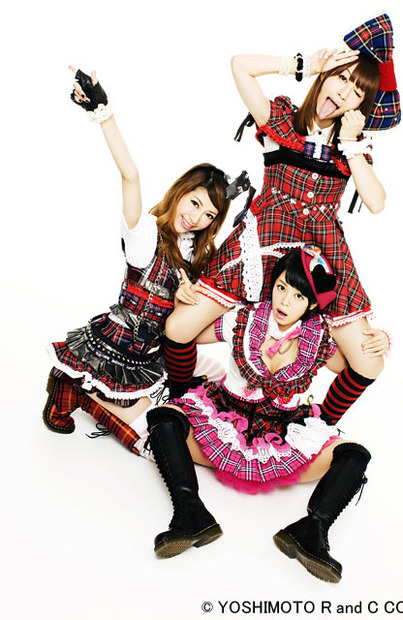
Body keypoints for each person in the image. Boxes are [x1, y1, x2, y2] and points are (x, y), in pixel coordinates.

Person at [162, 14, 400, 425]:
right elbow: (240, 65)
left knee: (368, 362)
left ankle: (313, 426)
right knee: (178, 329)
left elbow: (376, 202)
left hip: (321, 258)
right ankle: (180, 402)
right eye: (341, 79)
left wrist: (350, 144)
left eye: (357, 92)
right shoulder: (283, 121)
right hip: (262, 244)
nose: (344, 93)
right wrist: (302, 64)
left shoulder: (352, 147)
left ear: (360, 107)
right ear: (326, 76)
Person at [42, 68, 249, 455]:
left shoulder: (196, 252)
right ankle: (75, 390)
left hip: (152, 353)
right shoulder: (145, 235)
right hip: (116, 348)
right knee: (148, 442)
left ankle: (115, 398)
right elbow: (130, 175)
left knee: (215, 377)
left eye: (208, 214)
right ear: (180, 192)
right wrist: (103, 112)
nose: (197, 217)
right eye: (194, 203)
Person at [144, 249, 372, 583]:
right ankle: (189, 513)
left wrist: (376, 339)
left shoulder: (318, 341)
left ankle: (312, 532)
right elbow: (184, 334)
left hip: (282, 444)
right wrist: (183, 302)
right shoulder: (244, 319)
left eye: (298, 296)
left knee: (354, 454)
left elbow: (356, 369)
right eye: (281, 287)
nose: (285, 301)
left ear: (312, 304)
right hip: (220, 431)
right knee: (163, 417)